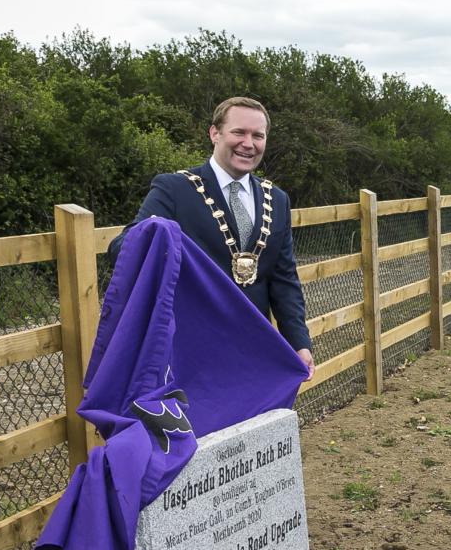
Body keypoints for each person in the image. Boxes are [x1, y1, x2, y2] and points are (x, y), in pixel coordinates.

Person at [109, 97, 313, 375]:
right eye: (238, 132)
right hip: (191, 354)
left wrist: (298, 343)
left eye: (258, 135)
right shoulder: (174, 189)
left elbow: (283, 279)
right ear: (214, 133)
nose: (248, 143)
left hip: (253, 351)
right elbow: (121, 250)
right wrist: (152, 234)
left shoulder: (277, 199)